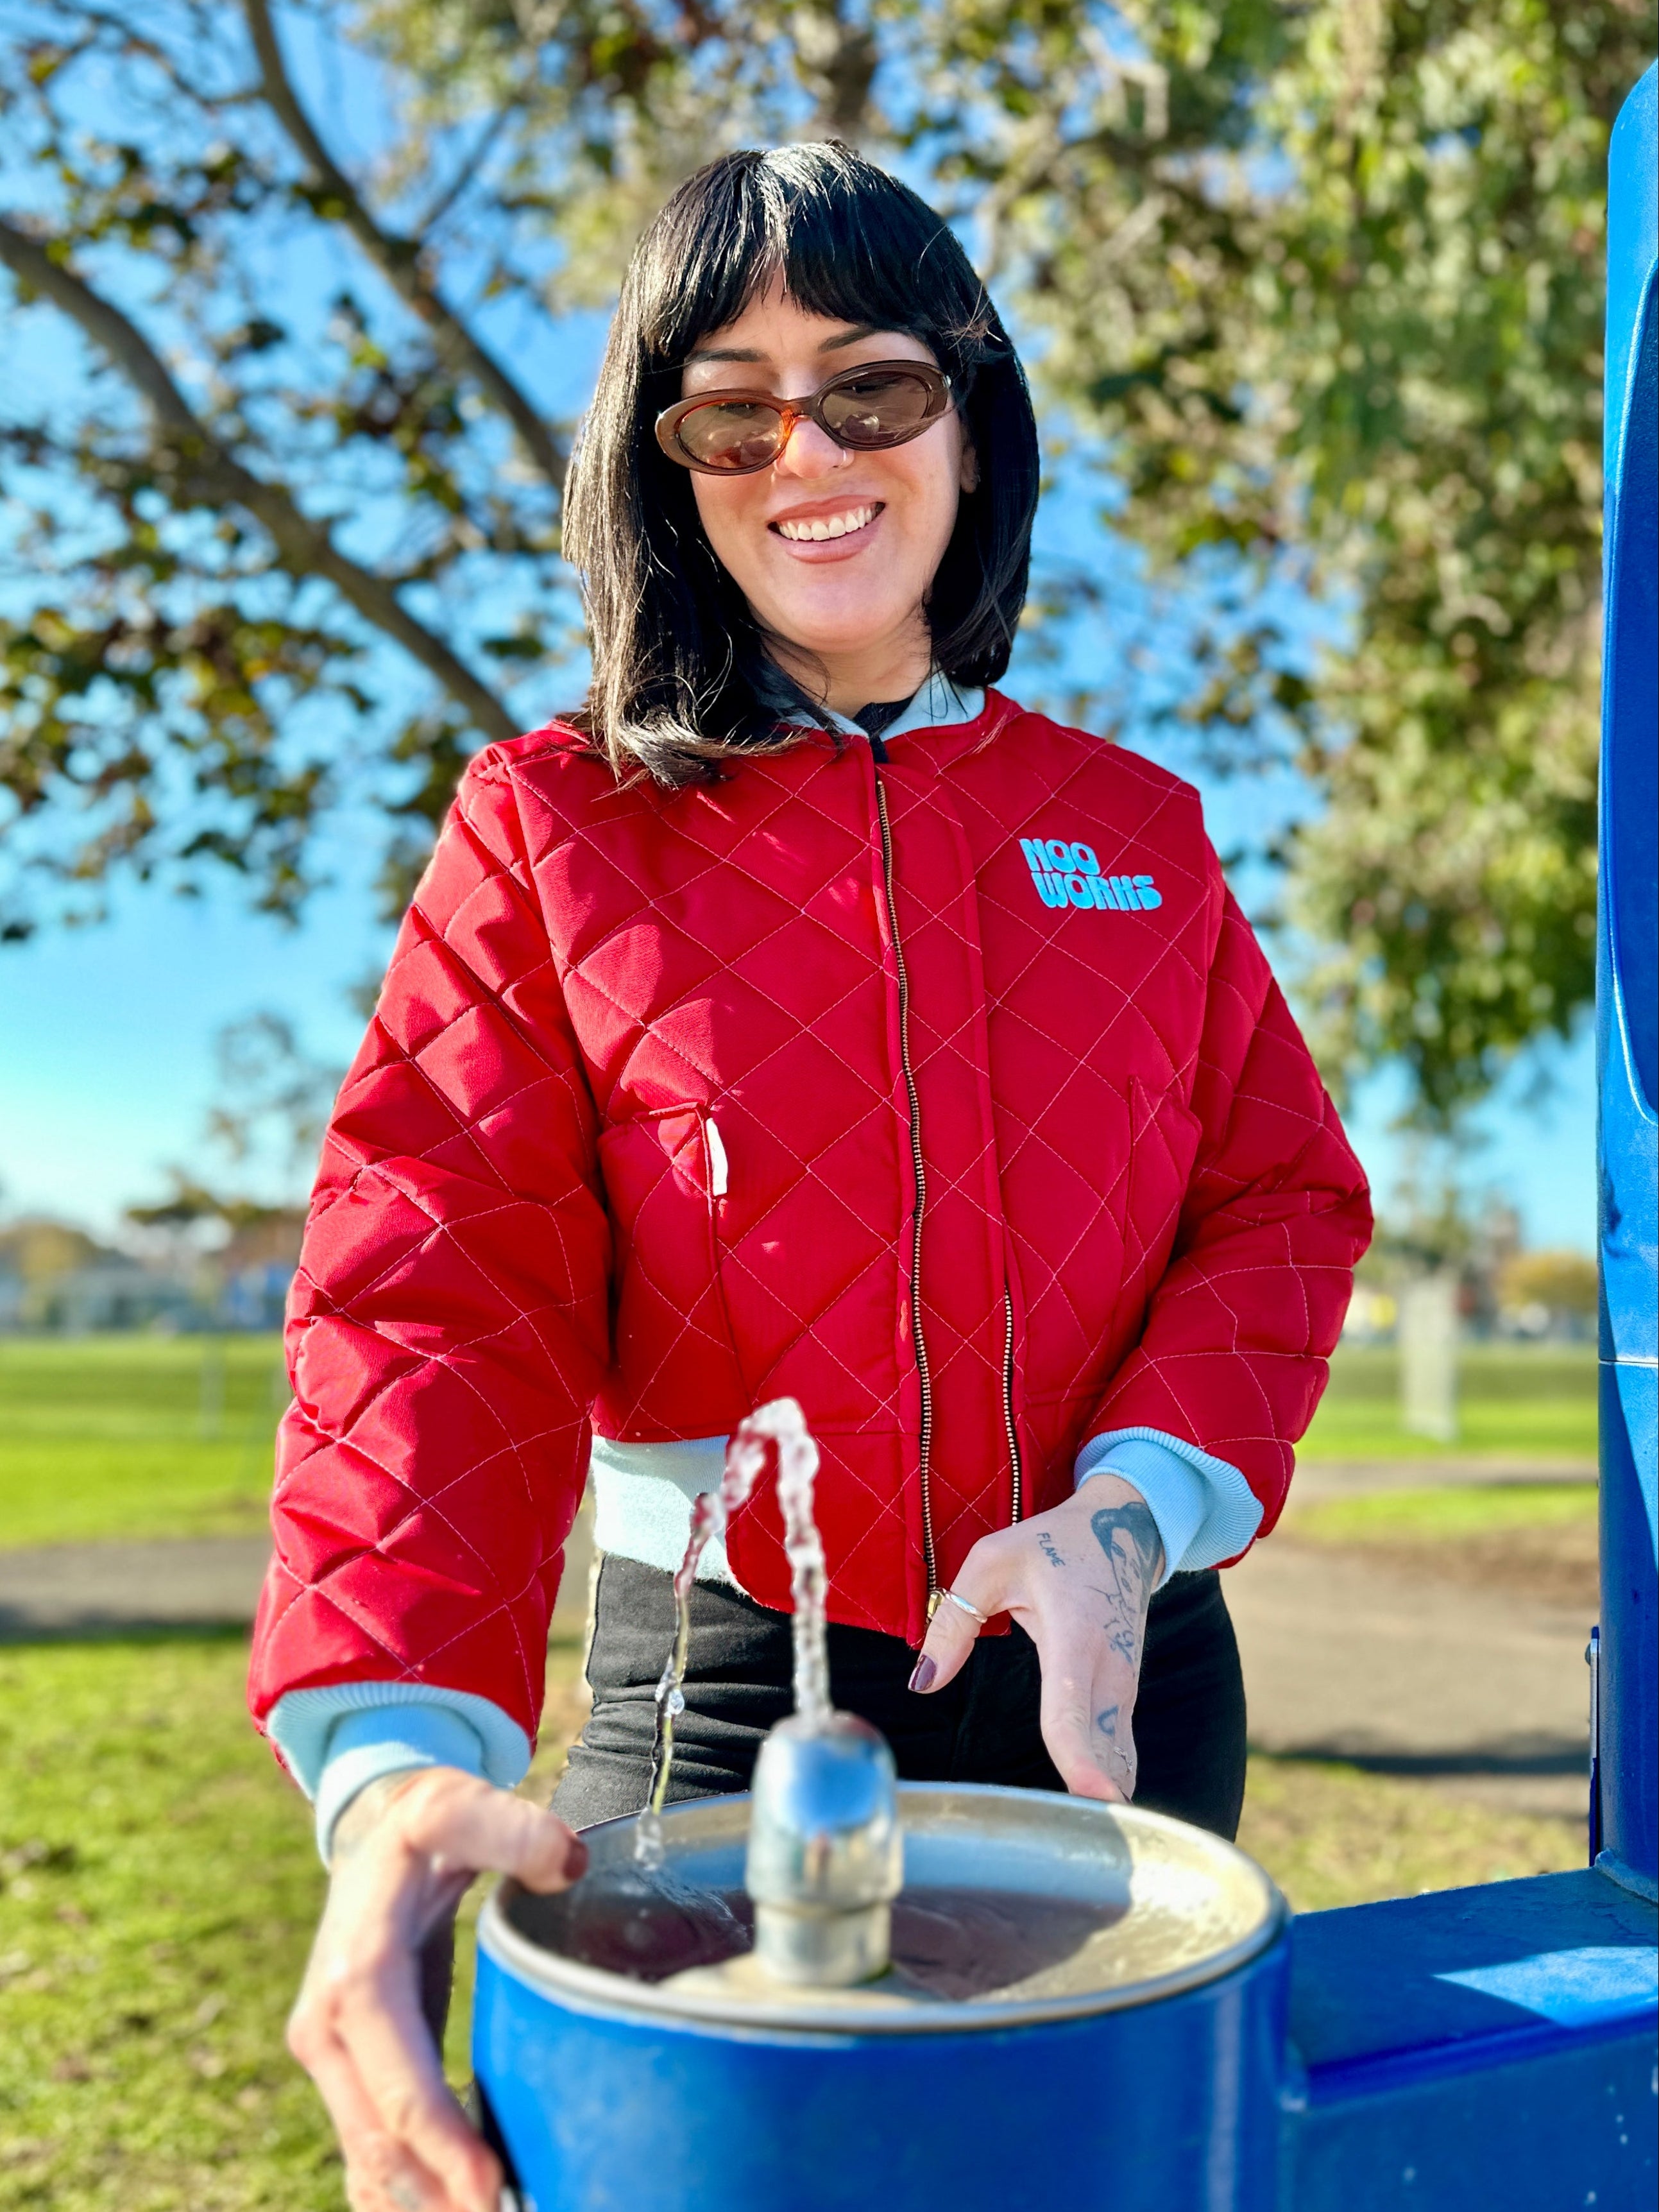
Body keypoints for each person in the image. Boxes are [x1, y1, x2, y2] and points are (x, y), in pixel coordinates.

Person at [251, 142, 1371, 2212]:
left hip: (1116, 1680)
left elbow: (1281, 1208)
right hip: (717, 1702)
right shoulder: (546, 826)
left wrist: (1127, 1519)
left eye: (867, 387)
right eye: (730, 409)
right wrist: (397, 1757)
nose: (807, 455)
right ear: (662, 464)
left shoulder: (1136, 831)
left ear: (969, 410)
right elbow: (431, 1292)